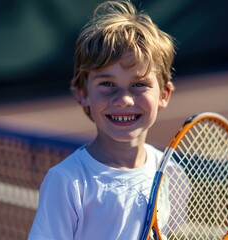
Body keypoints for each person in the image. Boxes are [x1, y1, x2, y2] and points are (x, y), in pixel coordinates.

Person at [28, 0, 175, 239]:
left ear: (164, 95)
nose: (124, 100)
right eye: (107, 84)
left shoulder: (171, 171)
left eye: (139, 84)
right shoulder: (67, 181)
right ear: (83, 94)